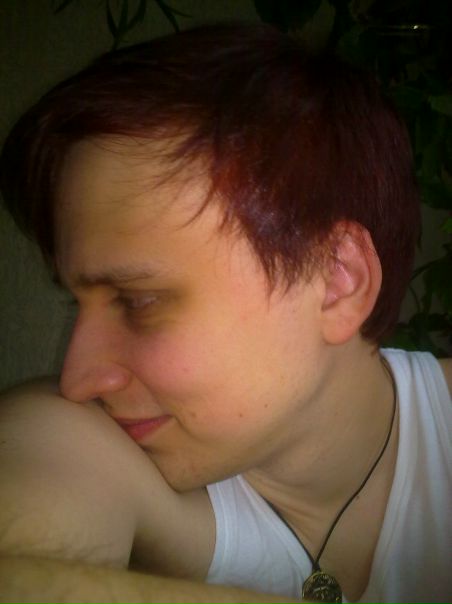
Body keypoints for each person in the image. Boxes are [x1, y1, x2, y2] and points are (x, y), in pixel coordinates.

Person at [0, 22, 450, 604]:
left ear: (336, 280)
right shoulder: (89, 446)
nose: (78, 380)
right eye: (78, 304)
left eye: (137, 302)